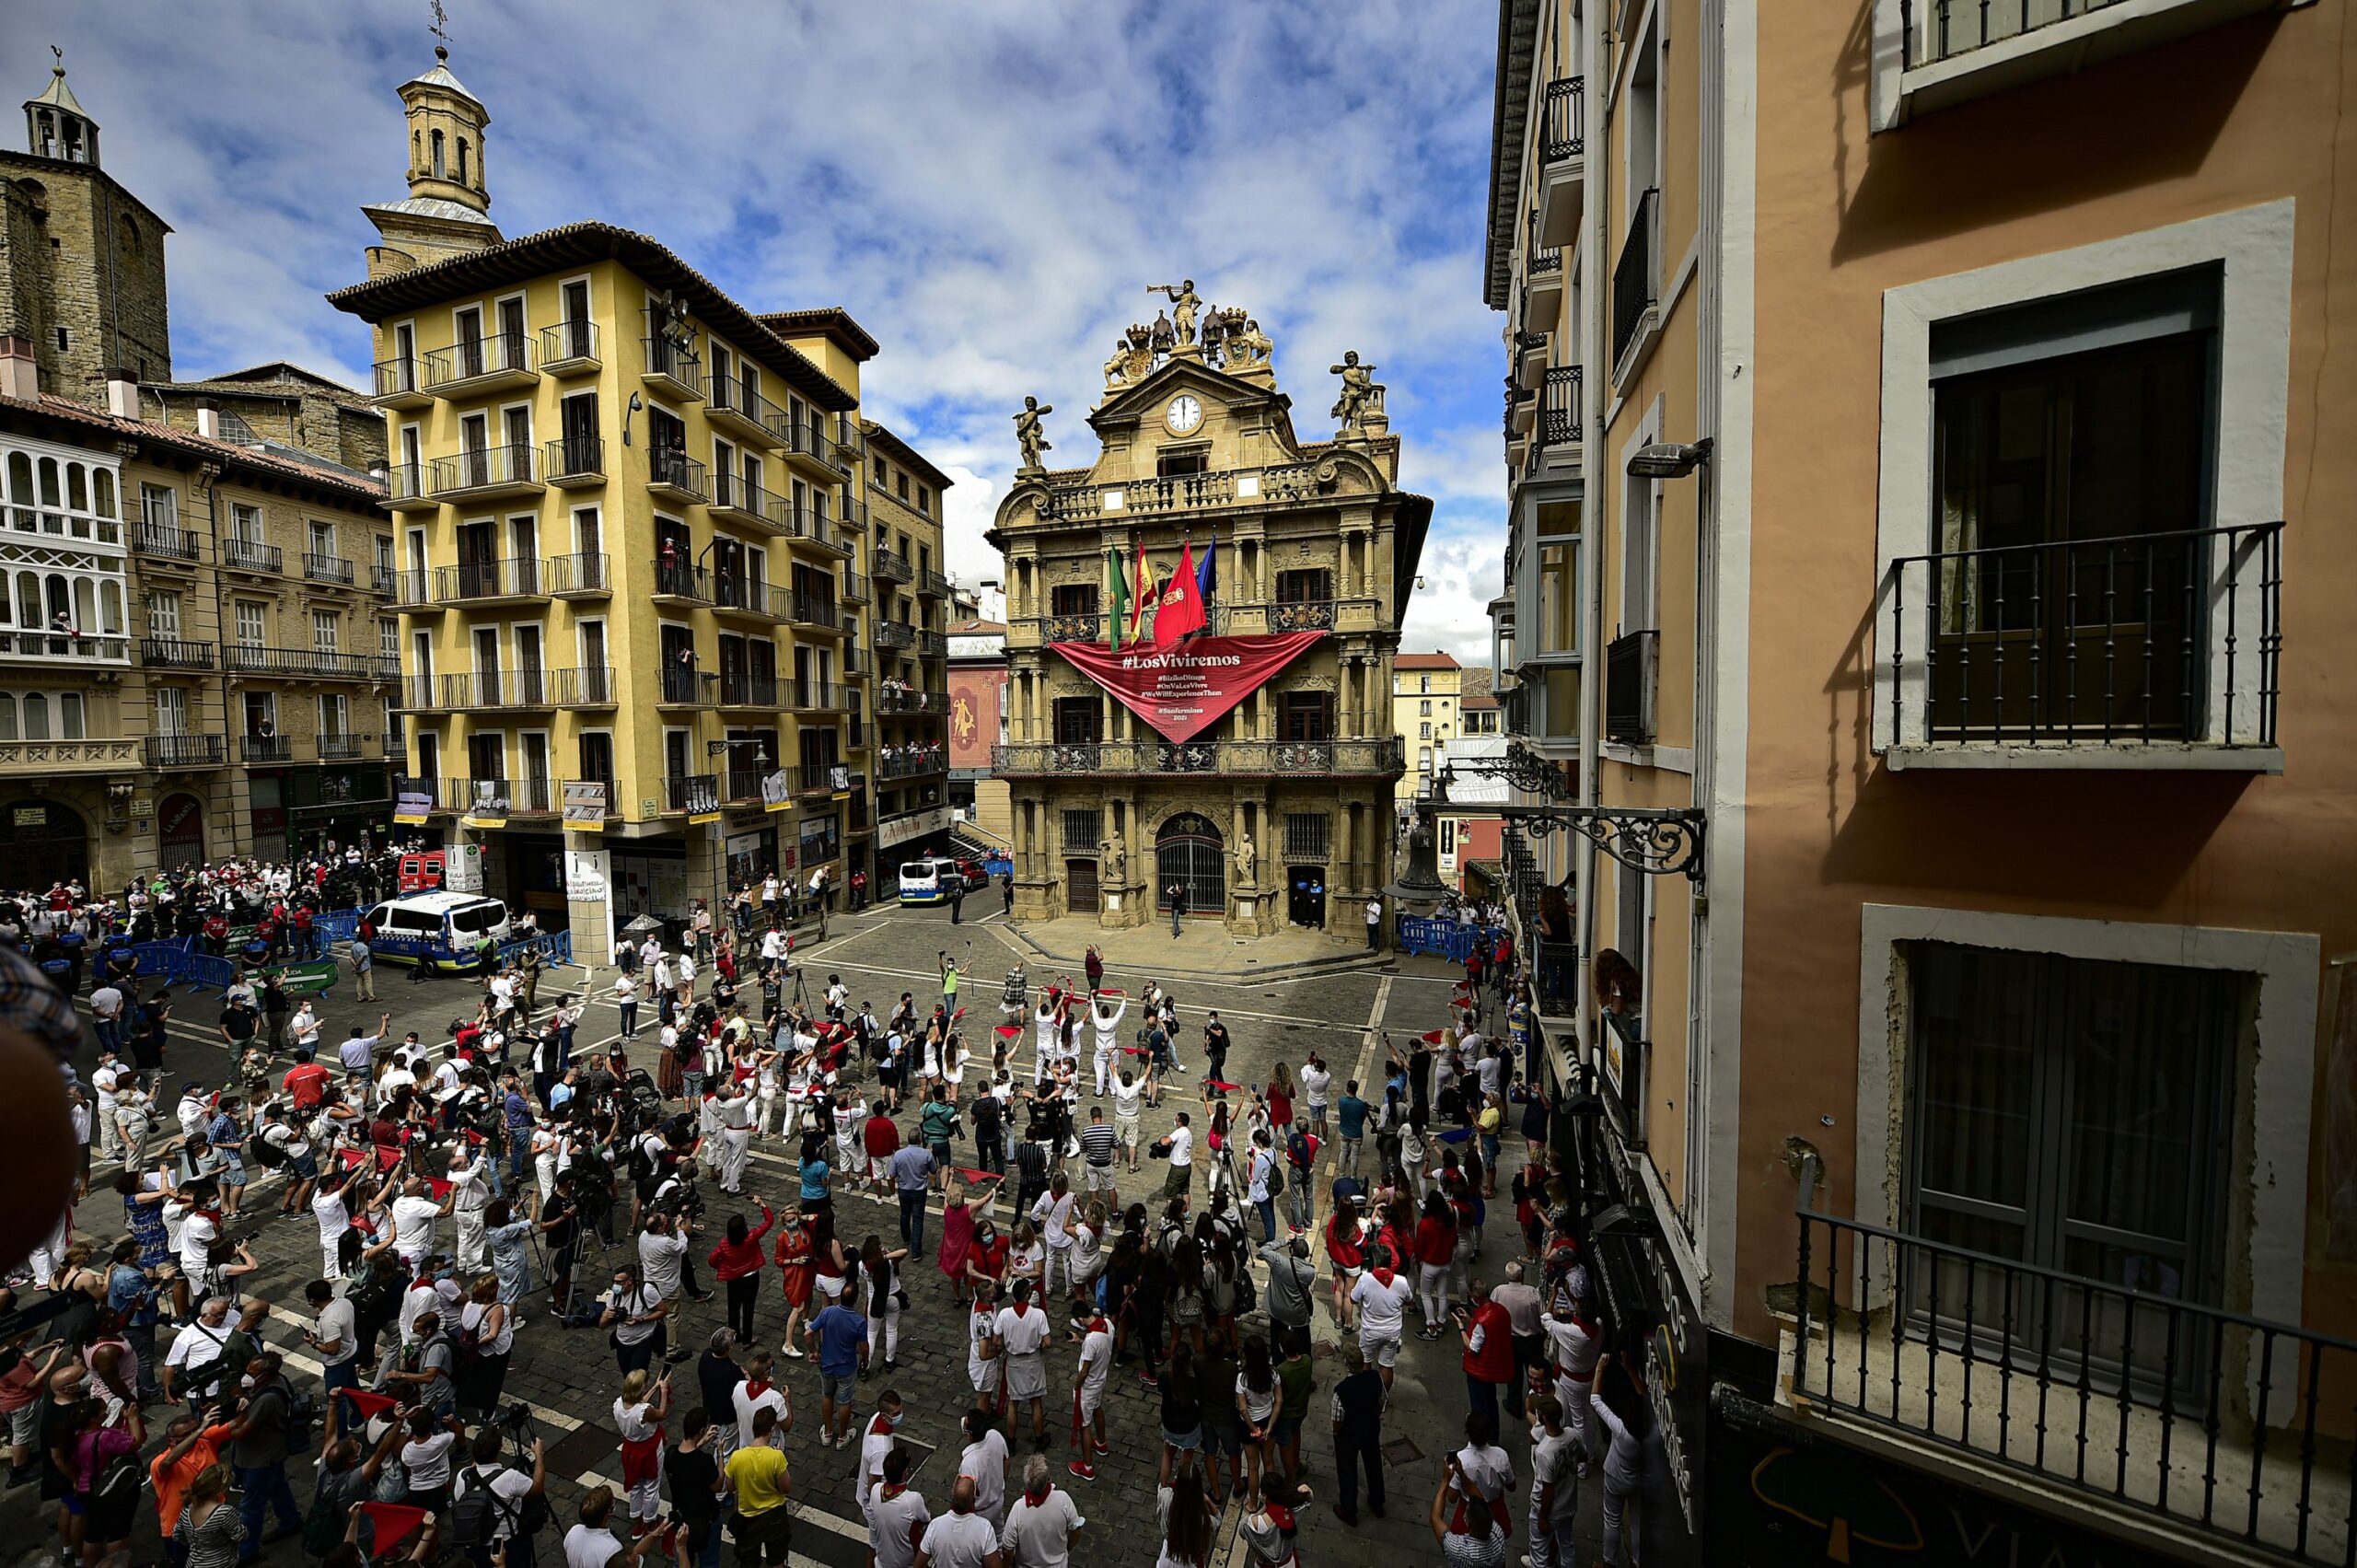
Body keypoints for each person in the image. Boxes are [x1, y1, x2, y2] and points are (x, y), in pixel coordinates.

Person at [450, 1424, 548, 1568]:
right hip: (507, 1543)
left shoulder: (463, 1476)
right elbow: (537, 1487)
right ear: (498, 1450)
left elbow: (474, 1470)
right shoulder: (509, 1478)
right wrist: (539, 1454)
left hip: (475, 1542)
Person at [725, 1407, 794, 1565]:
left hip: (747, 1517)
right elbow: (786, 1488)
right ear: (771, 1429)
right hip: (774, 1516)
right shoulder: (776, 1457)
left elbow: (730, 1487)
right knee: (777, 1560)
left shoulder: (737, 1457)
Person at [1329, 1342, 1387, 1527]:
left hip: (1349, 1436)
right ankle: (1377, 1502)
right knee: (1374, 1464)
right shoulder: (1375, 1378)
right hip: (1370, 1430)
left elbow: (1337, 1418)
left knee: (1347, 1470)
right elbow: (1381, 1402)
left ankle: (1349, 1510)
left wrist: (1337, 1434)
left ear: (1346, 1363)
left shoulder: (1342, 1390)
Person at [993, 1278, 1051, 1454]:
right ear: (1027, 1296)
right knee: (1036, 1402)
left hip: (1014, 1361)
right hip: (1033, 1361)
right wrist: (1036, 1344)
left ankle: (1011, 1443)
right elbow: (1047, 1342)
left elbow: (996, 1340)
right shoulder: (1038, 1315)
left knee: (1013, 1402)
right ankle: (1039, 1440)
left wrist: (1009, 1344)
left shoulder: (1004, 1314)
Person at [612, 1366, 672, 1536]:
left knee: (636, 1485)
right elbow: (660, 1413)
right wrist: (663, 1390)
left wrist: (654, 1386)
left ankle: (638, 1523)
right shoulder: (644, 1411)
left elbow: (638, 1407)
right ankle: (651, 1524)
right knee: (651, 1487)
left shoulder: (619, 1405)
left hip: (630, 1450)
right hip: (649, 1450)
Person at [1003, 1452, 1084, 1566]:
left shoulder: (1019, 1509)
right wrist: (1067, 1548)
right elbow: (1077, 1531)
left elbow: (1007, 1548)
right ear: (1048, 1479)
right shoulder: (1063, 1500)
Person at [812, 1292, 869, 1449]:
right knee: (844, 1401)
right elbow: (864, 1348)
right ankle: (843, 1436)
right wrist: (866, 1361)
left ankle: (828, 1432)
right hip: (846, 1368)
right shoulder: (858, 1321)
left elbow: (808, 1333)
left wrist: (813, 1351)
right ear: (855, 1300)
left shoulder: (828, 1312)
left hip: (827, 1365)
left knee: (827, 1395)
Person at [1431, 1458, 1508, 1567]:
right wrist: (1462, 1475)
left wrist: (1445, 1481)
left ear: (1468, 1523)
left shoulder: (1461, 1550)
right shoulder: (1498, 1535)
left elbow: (1435, 1518)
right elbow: (1481, 1501)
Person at [912, 1474, 1002, 1568]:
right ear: (974, 1501)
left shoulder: (935, 1526)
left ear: (952, 1496)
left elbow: (918, 1565)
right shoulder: (985, 1529)